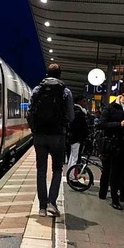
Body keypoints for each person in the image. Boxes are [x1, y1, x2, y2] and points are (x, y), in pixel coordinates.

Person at [27, 63, 74, 217]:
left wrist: (35, 130)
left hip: (40, 136)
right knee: (57, 169)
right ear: (60, 75)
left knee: (41, 170)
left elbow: (29, 112)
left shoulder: (37, 90)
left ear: (47, 74)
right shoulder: (65, 91)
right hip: (58, 136)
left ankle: (41, 208)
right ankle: (51, 203)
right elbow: (71, 116)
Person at [67, 95, 89, 173]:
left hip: (74, 138)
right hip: (76, 138)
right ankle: (72, 177)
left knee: (72, 157)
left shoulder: (74, 110)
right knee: (75, 158)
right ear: (79, 101)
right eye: (84, 101)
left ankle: (70, 175)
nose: (85, 103)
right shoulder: (78, 112)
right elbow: (78, 126)